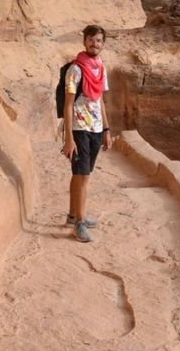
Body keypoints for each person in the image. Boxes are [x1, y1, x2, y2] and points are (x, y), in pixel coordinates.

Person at [62, 24, 113, 242]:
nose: (95, 44)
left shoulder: (100, 67)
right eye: (91, 39)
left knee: (81, 175)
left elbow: (100, 99)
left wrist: (107, 130)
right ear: (84, 41)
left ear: (103, 44)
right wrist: (69, 139)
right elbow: (67, 105)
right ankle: (80, 224)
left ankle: (74, 216)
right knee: (83, 176)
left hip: (95, 127)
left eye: (99, 40)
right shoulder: (76, 70)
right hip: (79, 128)